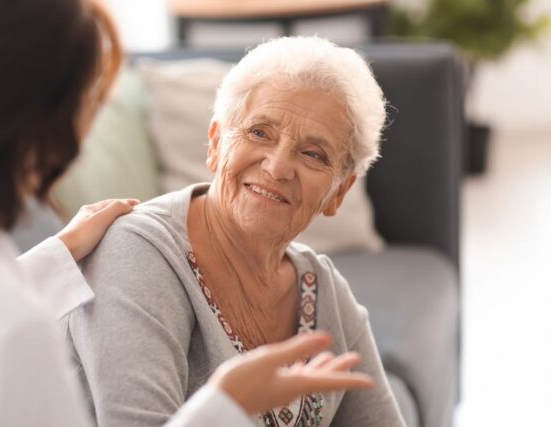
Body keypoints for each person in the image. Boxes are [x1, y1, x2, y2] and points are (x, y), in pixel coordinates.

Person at [0, 1, 375, 426]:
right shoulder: (10, 330)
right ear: (56, 127)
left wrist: (54, 259)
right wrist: (227, 407)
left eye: (312, 154)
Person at [65, 36, 408, 427]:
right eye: (260, 132)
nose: (278, 167)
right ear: (215, 143)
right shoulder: (136, 253)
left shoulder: (324, 290)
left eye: (314, 154)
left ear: (339, 193)